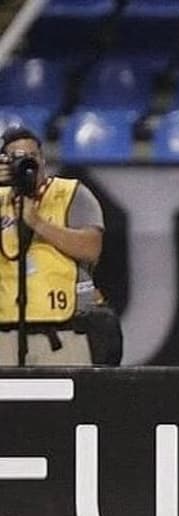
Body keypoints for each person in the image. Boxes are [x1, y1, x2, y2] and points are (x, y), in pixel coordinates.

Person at [0, 126, 106, 365]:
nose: (25, 164)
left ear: (42, 159)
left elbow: (91, 249)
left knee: (67, 401)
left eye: (31, 157)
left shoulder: (70, 194)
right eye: (16, 158)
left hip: (63, 333)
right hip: (5, 333)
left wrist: (37, 223)